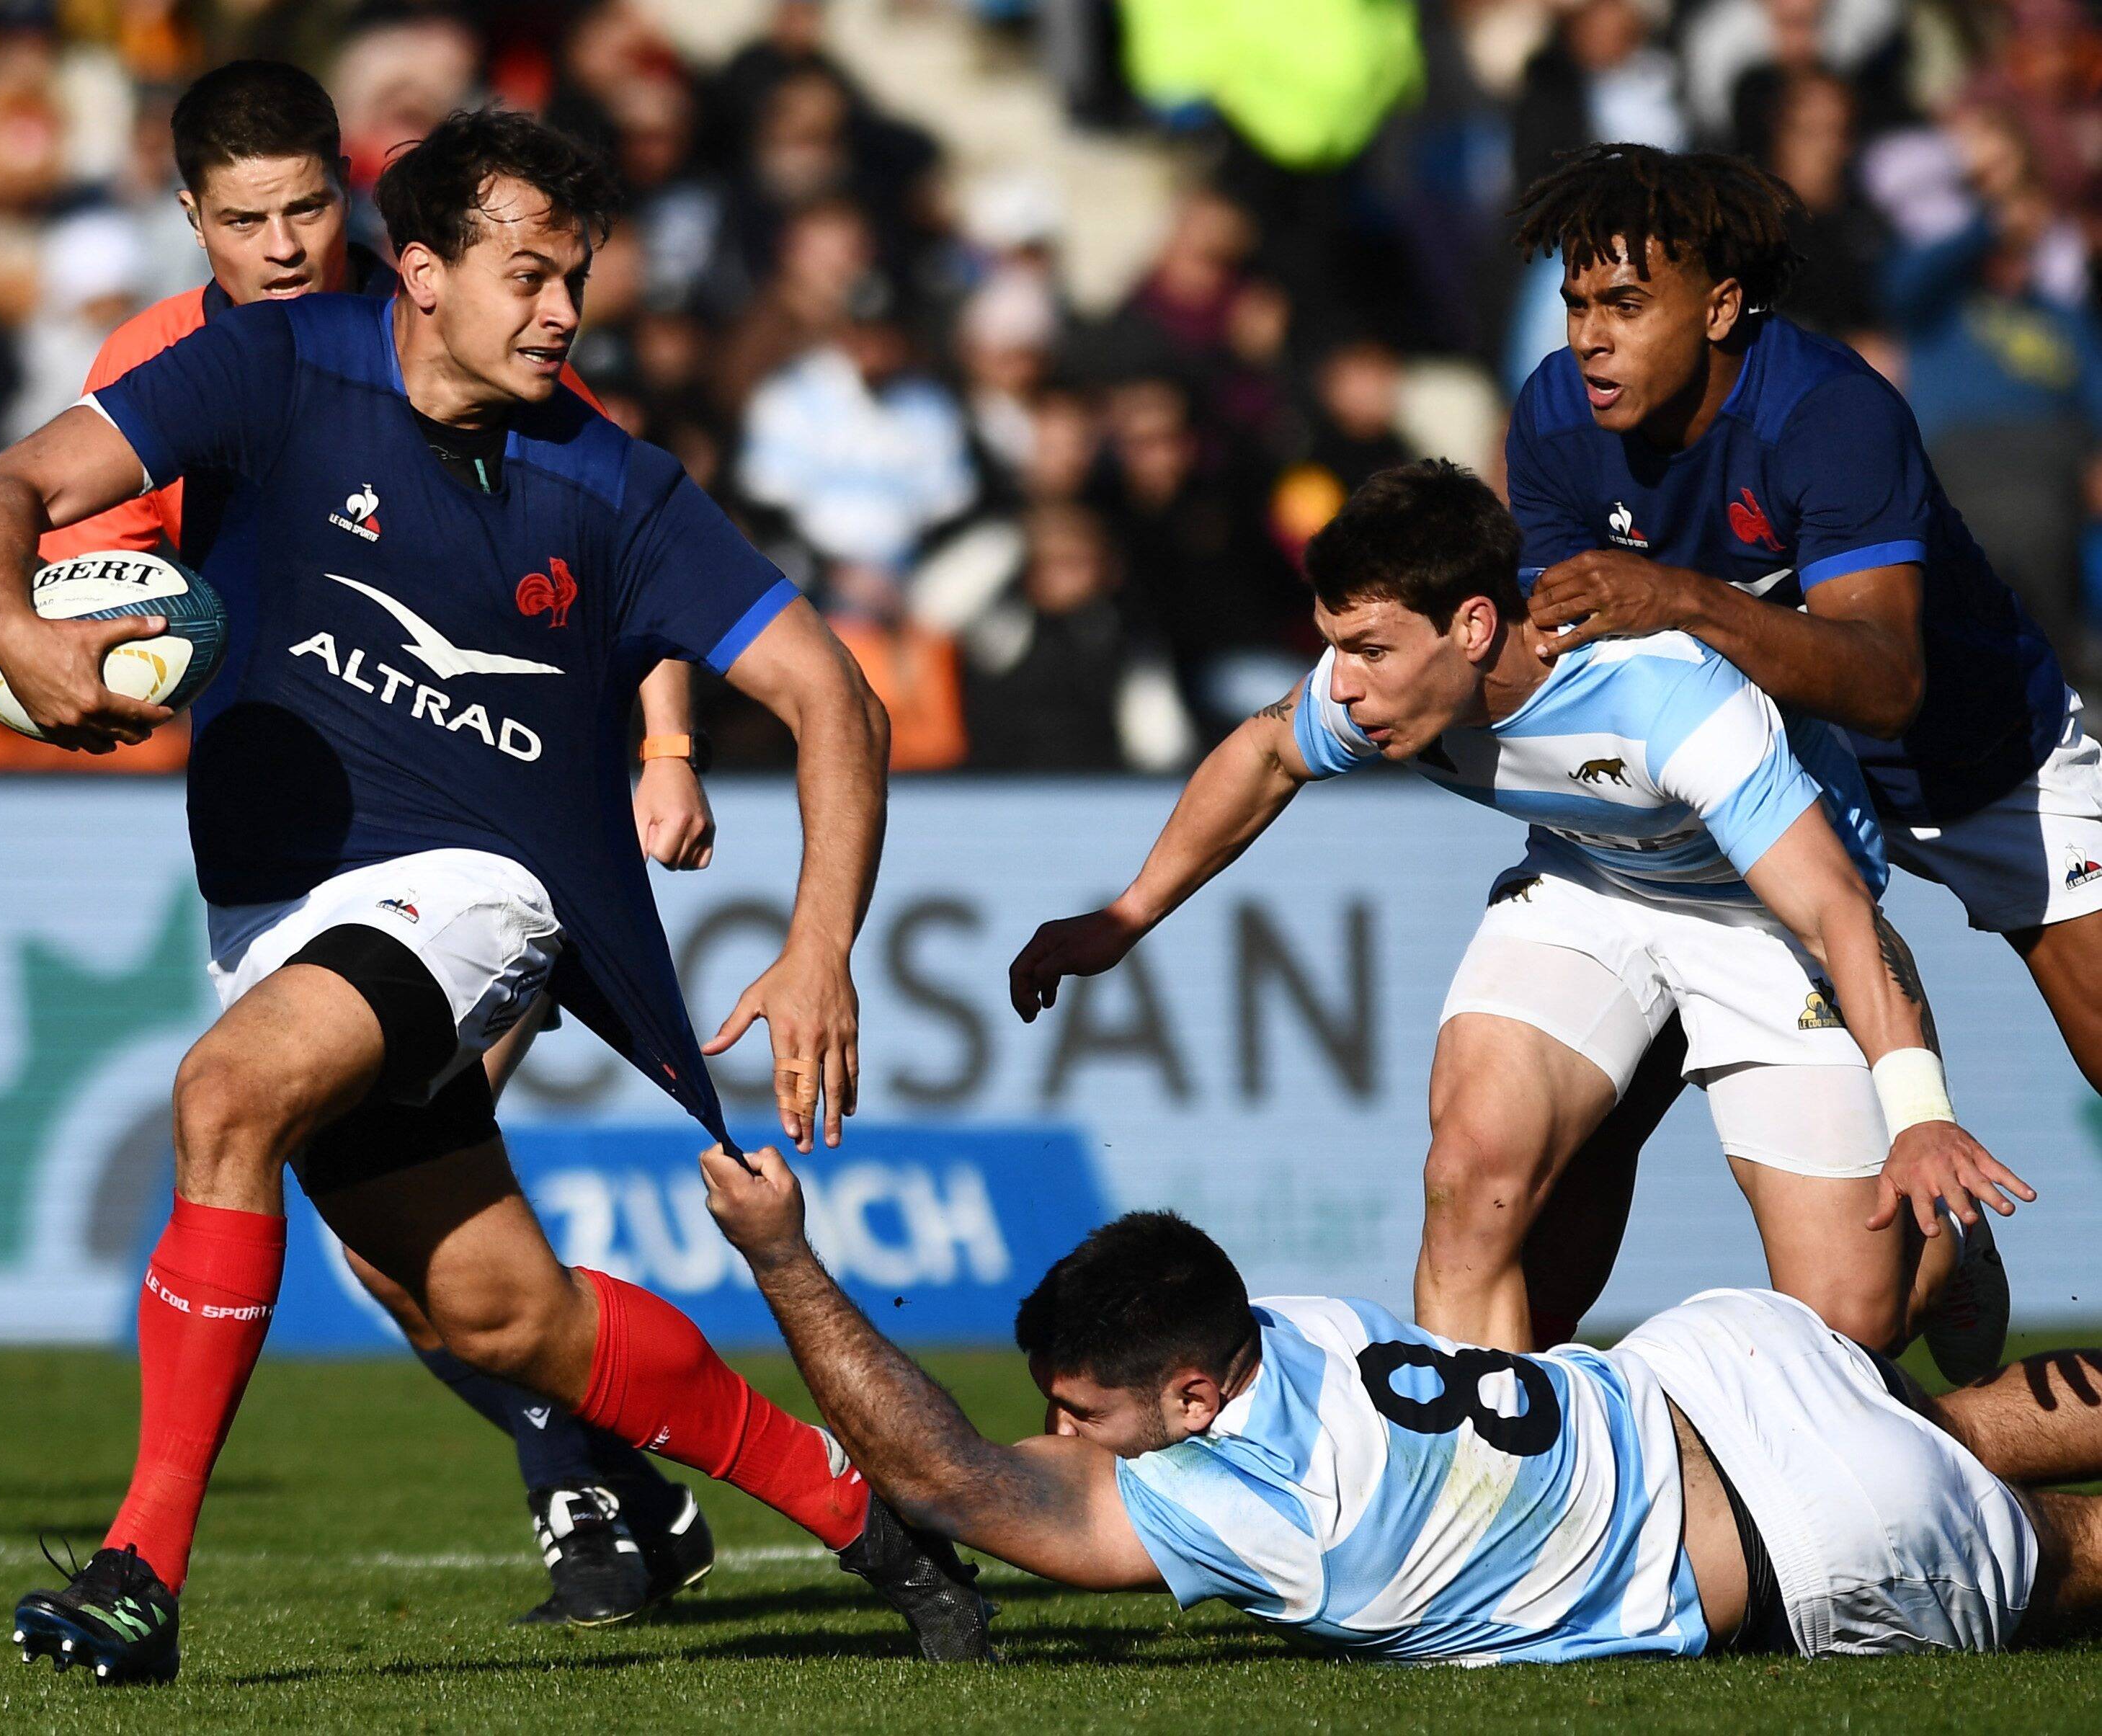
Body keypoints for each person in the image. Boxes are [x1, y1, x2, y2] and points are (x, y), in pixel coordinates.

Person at [0, 104, 994, 1684]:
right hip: (278, 907)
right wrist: (15, 631)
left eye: (574, 276)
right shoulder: (267, 367)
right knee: (503, 1316)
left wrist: (820, 940)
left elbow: (833, 695)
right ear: (421, 270)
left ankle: (138, 1571)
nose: (562, 311)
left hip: (483, 890)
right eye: (528, 275)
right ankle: (877, 1524)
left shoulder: (616, 483)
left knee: (225, 1096)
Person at [36, 58, 720, 1629]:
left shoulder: (447, 311)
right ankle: (666, 1485)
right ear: (190, 216)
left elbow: (631, 532)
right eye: (245, 219)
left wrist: (662, 747)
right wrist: (75, 660)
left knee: (368, 1173)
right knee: (407, 1259)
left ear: (351, 201)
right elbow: (109, 595)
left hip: (489, 825)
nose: (284, 245)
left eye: (305, 209)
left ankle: (582, 1496)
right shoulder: (163, 363)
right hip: (301, 843)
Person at [1008, 460, 2031, 1363]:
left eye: (1368, 649)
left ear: (1472, 625)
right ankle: (1490, 1502)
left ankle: (1947, 1244)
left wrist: (1920, 1118)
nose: (1343, 686)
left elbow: (1835, 915)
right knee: (1468, 1175)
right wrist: (1124, 916)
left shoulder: (1663, 698)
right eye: (1335, 648)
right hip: (1592, 885)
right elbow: (1264, 751)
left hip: (1760, 919)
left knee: (1845, 1330)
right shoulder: (1380, 689)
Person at [1503, 143, 2102, 1347]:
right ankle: (1523, 1437)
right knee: (1584, 1124)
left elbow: (1885, 684)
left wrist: (1677, 598)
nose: (1587, 337)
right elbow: (1559, 663)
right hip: (1735, 792)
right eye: (1576, 304)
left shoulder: (1828, 413)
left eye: (1624, 302)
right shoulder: (1554, 421)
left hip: (1976, 762)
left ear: (1720, 305)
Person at [698, 1154, 2102, 1665]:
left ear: (1193, 1388)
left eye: (1079, 1412)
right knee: (1956, 1429)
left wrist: (780, 1254)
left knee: (2066, 1553)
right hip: (1715, 1360)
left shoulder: (1255, 1508)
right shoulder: (1304, 1323)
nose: (1064, 1438)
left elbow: (945, 1479)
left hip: (1798, 1532)